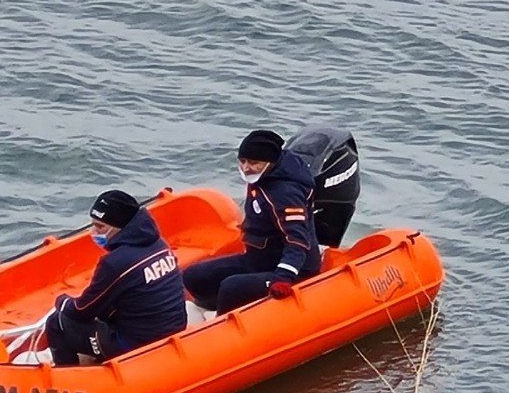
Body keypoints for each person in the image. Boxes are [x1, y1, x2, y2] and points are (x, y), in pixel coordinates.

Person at [183, 129, 320, 314]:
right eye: (243, 161)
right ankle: (213, 309)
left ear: (270, 162)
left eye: (253, 163)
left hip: (291, 268)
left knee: (232, 287)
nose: (246, 168)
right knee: (194, 276)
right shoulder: (264, 175)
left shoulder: (285, 194)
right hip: (259, 258)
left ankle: (225, 324)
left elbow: (297, 240)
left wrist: (284, 276)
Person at [45, 190, 187, 366]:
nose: (93, 232)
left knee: (56, 322)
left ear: (121, 228)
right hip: (173, 327)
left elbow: (81, 311)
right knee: (108, 307)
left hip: (136, 344)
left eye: (100, 227)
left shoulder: (115, 263)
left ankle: (67, 377)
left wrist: (62, 301)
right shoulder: (159, 244)